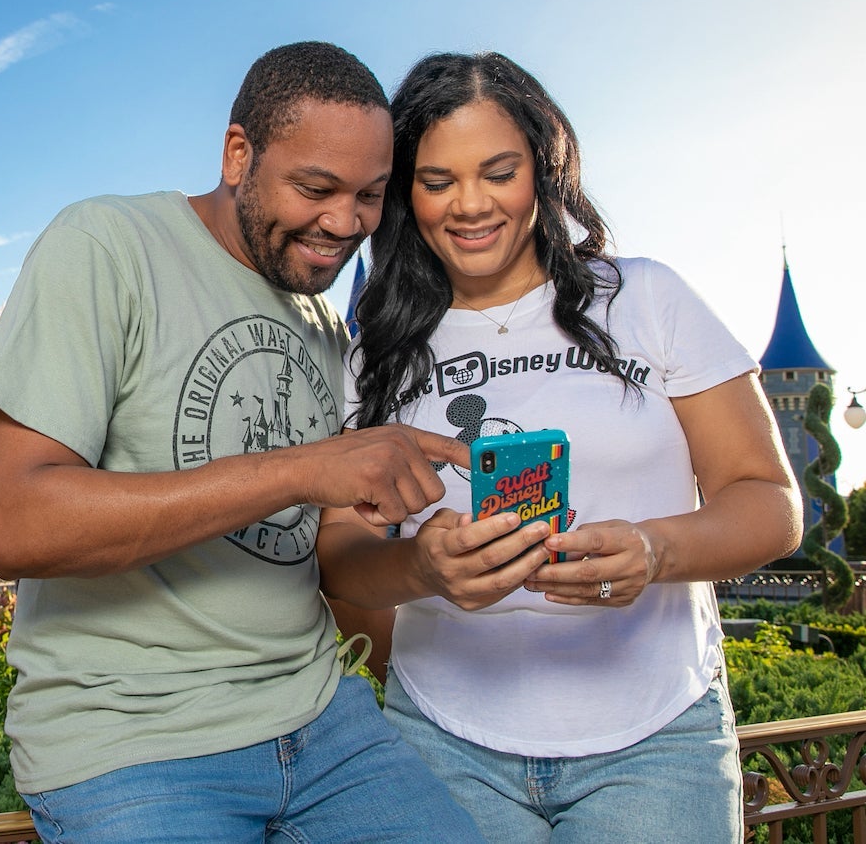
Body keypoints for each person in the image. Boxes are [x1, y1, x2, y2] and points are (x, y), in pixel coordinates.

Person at [0, 42, 486, 843]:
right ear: (238, 154)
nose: (344, 224)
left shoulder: (324, 324)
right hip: (131, 739)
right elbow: (20, 525)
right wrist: (303, 469)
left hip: (323, 720)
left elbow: (330, 551)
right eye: (316, 188)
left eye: (370, 197)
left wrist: (425, 565)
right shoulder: (107, 244)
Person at [318, 51, 802, 843]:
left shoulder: (647, 297)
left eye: (498, 172)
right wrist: (419, 568)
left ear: (544, 169)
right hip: (441, 741)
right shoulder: (378, 353)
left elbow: (769, 504)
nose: (469, 206)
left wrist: (653, 549)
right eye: (437, 181)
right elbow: (339, 551)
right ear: (405, 192)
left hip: (656, 745)